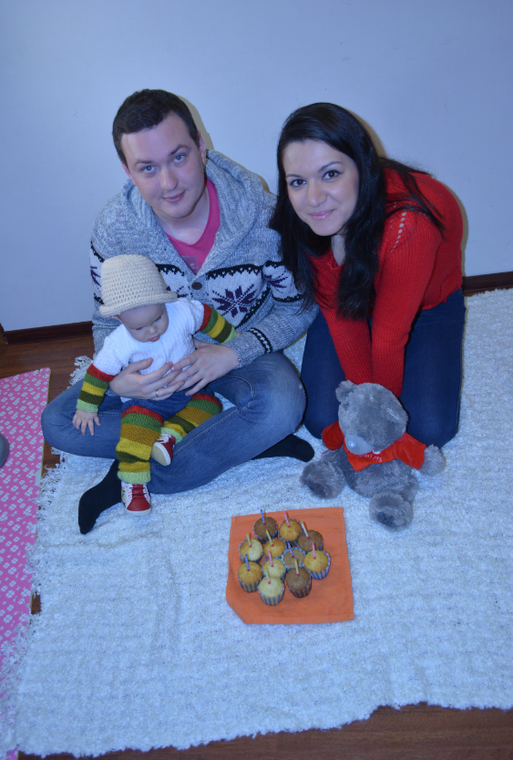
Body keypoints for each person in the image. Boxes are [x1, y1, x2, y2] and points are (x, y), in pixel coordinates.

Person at [41, 89, 317, 529]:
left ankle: (135, 470)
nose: (168, 183)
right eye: (147, 168)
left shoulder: (265, 217)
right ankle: (240, 441)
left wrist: (235, 352)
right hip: (155, 368)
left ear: (202, 147)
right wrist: (120, 379)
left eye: (178, 157)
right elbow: (105, 318)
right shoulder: (115, 230)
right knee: (58, 423)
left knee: (284, 407)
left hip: (239, 352)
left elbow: (299, 306)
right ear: (128, 170)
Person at [270, 102, 465, 448]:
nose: (313, 198)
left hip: (427, 310)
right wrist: (364, 409)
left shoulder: (409, 225)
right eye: (297, 182)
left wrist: (378, 422)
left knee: (428, 430)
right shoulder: (307, 219)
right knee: (322, 420)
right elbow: (343, 320)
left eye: (330, 174)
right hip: (354, 302)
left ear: (361, 166)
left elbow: (389, 339)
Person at [73, 254, 238, 529]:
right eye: (139, 328)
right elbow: (97, 375)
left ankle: (169, 435)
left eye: (158, 318)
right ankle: (133, 482)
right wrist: (86, 407)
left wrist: (232, 340)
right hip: (145, 402)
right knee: (134, 435)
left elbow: (208, 317)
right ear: (117, 318)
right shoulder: (117, 344)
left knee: (210, 405)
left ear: (164, 301)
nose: (152, 331)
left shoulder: (181, 311)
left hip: (186, 388)